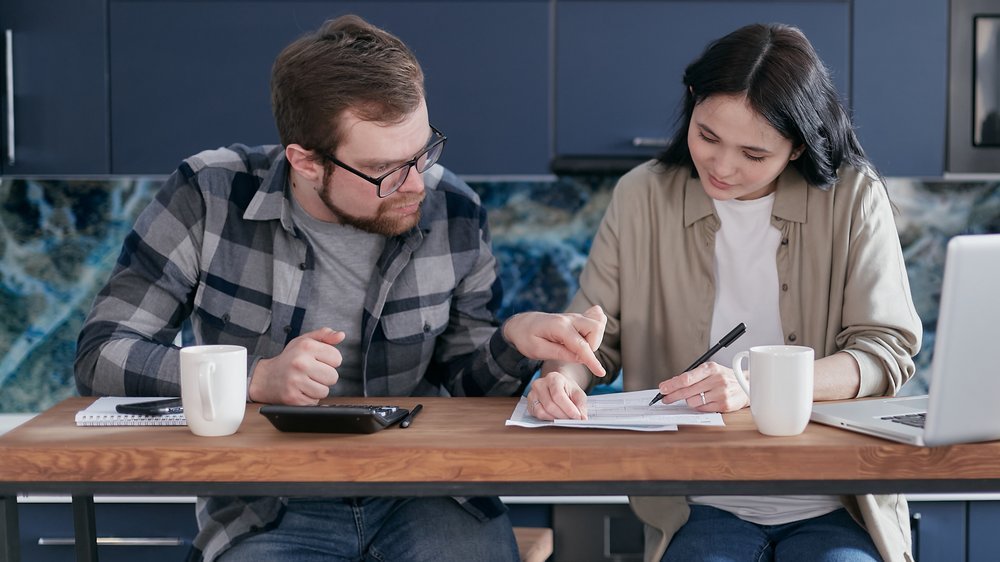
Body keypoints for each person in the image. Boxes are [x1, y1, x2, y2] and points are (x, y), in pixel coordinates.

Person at [74, 14, 606, 562]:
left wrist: (514, 339)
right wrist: (255, 379)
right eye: (386, 170)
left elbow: (468, 388)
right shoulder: (208, 195)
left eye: (423, 152)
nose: (419, 183)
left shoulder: (455, 210)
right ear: (304, 161)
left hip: (427, 491)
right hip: (265, 502)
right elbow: (102, 355)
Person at [528, 23, 921, 562]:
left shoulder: (854, 198)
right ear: (691, 101)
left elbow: (885, 353)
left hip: (834, 498)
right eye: (707, 136)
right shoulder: (642, 194)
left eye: (754, 155)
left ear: (797, 146)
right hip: (699, 502)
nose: (722, 166)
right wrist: (561, 381)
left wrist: (755, 383)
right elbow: (594, 336)